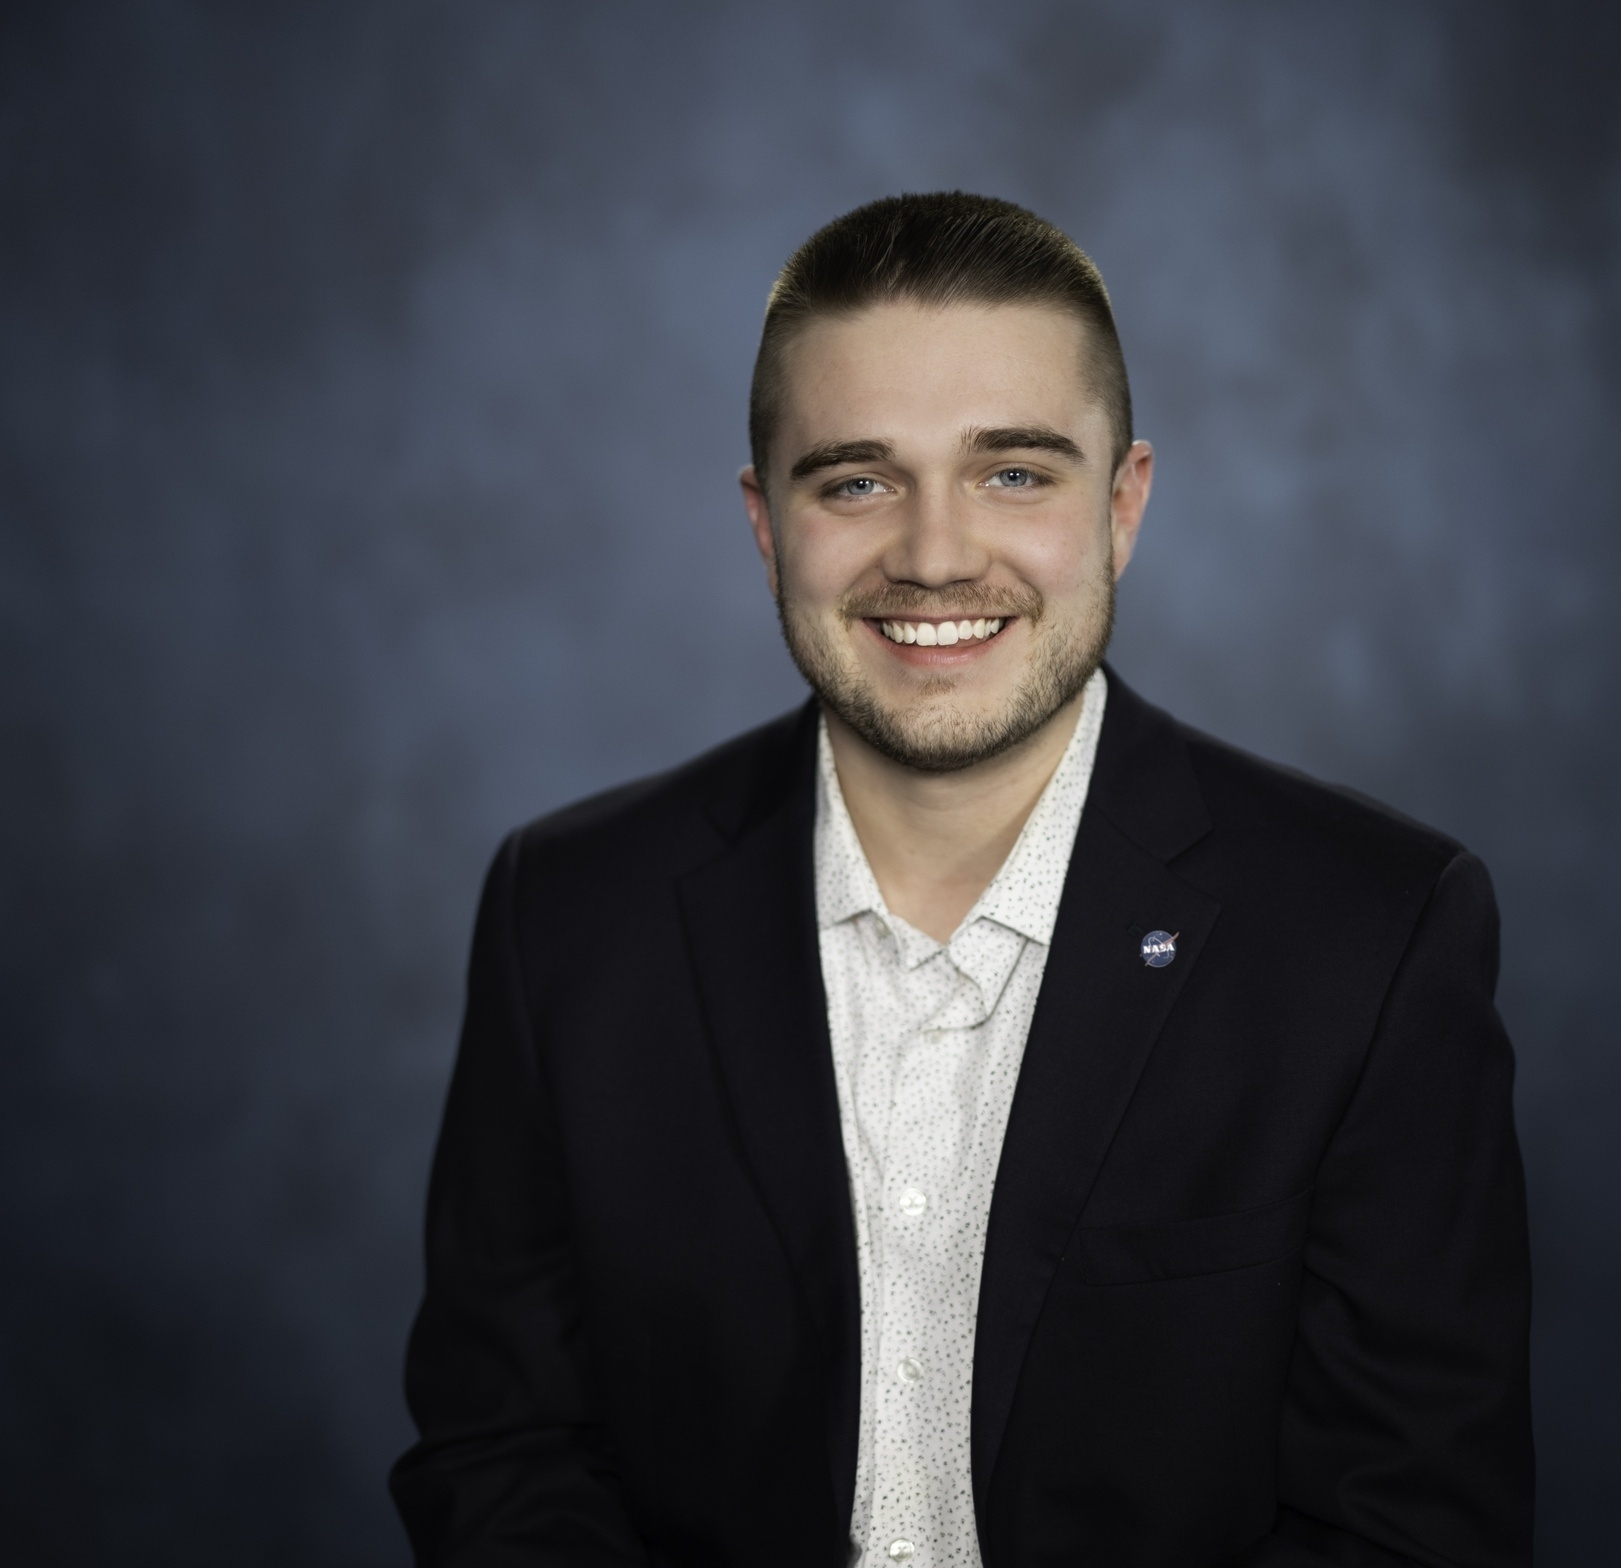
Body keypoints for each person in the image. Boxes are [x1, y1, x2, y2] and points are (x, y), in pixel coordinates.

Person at [391, 192, 1533, 1568]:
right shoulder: (568, 917)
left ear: (1124, 505)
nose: (934, 555)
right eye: (856, 480)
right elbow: (503, 1452)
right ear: (766, 522)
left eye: (1015, 473)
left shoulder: (1371, 937)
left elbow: (1409, 1529)